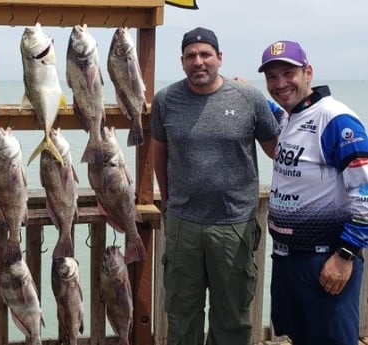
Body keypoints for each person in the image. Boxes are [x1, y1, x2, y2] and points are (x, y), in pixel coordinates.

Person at [150, 27, 281, 345]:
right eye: (191, 56)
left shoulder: (248, 97)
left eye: (205, 54)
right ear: (182, 61)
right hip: (183, 224)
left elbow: (277, 150)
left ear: (219, 58)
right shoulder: (166, 100)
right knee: (181, 314)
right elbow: (159, 153)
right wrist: (169, 203)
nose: (199, 61)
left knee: (232, 316)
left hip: (234, 224)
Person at [258, 40, 368, 344]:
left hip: (326, 261)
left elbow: (365, 190)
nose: (280, 84)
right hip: (288, 261)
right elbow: (273, 110)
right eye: (271, 77)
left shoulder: (336, 120)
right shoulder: (291, 117)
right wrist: (244, 91)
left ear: (308, 72)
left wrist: (345, 255)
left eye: (288, 73)